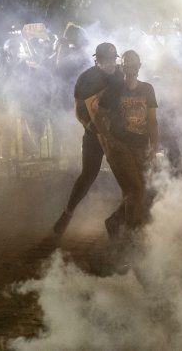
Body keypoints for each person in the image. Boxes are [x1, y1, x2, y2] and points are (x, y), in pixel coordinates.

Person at [85, 50, 159, 238]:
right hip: (120, 148)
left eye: (134, 63)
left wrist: (154, 147)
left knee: (138, 192)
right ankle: (133, 236)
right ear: (122, 67)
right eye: (127, 63)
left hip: (141, 147)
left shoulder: (147, 89)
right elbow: (98, 117)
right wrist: (110, 140)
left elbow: (152, 121)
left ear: (140, 66)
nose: (131, 67)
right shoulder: (113, 90)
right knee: (135, 190)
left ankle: (115, 222)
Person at [52, 42, 122, 235]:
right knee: (89, 173)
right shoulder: (87, 78)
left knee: (126, 175)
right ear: (97, 60)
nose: (111, 63)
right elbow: (79, 109)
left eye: (113, 59)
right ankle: (68, 213)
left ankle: (119, 218)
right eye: (107, 59)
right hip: (94, 134)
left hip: (117, 133)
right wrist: (89, 126)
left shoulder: (120, 74)